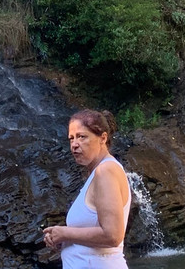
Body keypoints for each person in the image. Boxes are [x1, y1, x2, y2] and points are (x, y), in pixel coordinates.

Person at [43, 109, 131, 268]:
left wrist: (64, 233)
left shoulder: (105, 172)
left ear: (103, 138)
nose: (74, 144)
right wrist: (64, 240)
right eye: (71, 138)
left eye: (81, 137)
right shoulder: (97, 173)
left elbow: (113, 235)